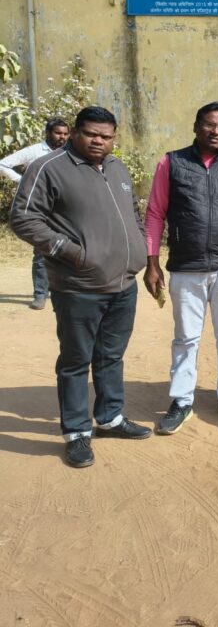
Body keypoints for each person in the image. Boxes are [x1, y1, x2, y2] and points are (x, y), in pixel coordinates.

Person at [9, 107, 151, 467]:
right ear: (74, 132)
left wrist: (138, 246)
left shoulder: (117, 168)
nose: (99, 141)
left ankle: (110, 418)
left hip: (123, 284)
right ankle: (75, 432)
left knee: (111, 356)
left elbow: (133, 213)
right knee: (75, 361)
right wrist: (73, 252)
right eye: (91, 134)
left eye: (106, 136)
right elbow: (23, 218)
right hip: (79, 286)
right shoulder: (49, 168)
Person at [143, 102, 218, 435]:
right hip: (186, 266)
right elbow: (155, 213)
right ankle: (182, 400)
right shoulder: (172, 163)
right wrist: (152, 262)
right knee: (186, 338)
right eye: (210, 124)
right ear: (196, 126)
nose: (216, 131)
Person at [1, 118, 71, 310]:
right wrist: (24, 181)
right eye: (58, 133)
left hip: (64, 207)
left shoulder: (69, 152)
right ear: (48, 133)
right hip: (41, 207)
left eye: (65, 133)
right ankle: (40, 293)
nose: (62, 137)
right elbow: (3, 164)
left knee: (67, 248)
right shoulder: (34, 151)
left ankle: (62, 290)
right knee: (42, 252)